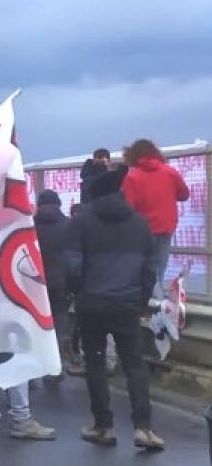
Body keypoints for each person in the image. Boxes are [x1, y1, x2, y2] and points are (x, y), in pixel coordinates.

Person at [65, 166, 164, 450]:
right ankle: (143, 428)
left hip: (92, 303)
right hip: (127, 305)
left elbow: (72, 265)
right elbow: (150, 269)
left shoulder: (82, 222)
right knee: (134, 364)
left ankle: (103, 426)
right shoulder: (140, 224)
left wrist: (78, 290)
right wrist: (140, 300)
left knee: (95, 362)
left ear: (93, 195)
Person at [122, 139, 190, 297]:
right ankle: (158, 297)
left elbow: (127, 207)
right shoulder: (170, 172)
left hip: (141, 229)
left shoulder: (132, 177)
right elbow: (184, 195)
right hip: (166, 225)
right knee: (160, 264)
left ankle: (145, 299)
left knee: (142, 265)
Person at [34, 189, 73, 378]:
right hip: (61, 284)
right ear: (58, 204)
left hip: (34, 284)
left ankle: (33, 369)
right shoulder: (69, 225)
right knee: (58, 324)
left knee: (34, 325)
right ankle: (54, 368)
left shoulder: (29, 226)